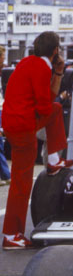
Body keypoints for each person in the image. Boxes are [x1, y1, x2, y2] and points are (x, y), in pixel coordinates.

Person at [2, 32, 73, 249]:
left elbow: (42, 102)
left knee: (18, 180)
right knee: (21, 184)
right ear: (55, 51)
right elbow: (45, 105)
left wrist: (58, 73)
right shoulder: (42, 67)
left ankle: (53, 158)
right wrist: (59, 96)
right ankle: (12, 234)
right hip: (24, 126)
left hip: (11, 122)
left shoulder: (26, 62)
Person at [0, 46, 11, 185]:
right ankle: (5, 174)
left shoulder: (2, 72)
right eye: (2, 55)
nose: (4, 58)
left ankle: (5, 174)